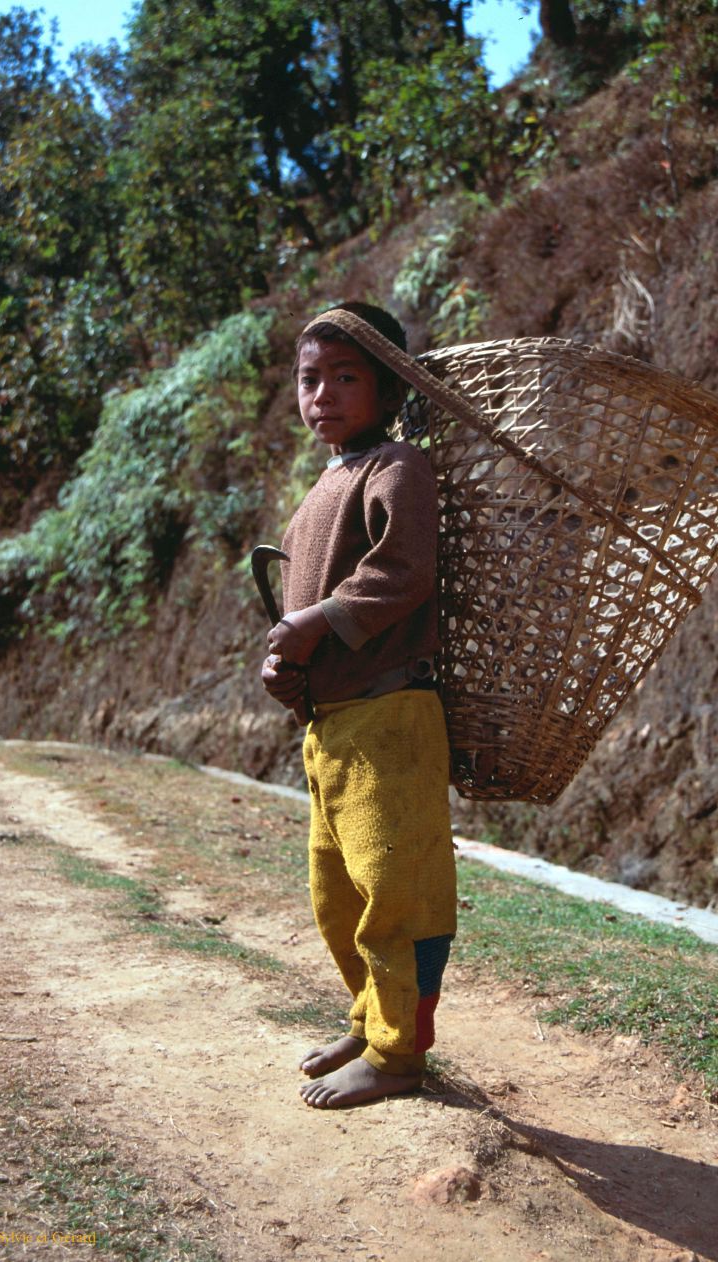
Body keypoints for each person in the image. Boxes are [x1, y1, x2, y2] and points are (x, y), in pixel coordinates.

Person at [261, 301, 457, 1109]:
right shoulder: (325, 483)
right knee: (335, 892)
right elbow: (307, 608)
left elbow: (403, 572)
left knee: (395, 894)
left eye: (346, 378)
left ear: (388, 389)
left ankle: (399, 1055)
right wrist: (289, 663)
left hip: (391, 719)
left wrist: (310, 623)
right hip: (334, 725)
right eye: (311, 379)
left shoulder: (397, 467)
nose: (324, 395)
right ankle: (370, 1019)